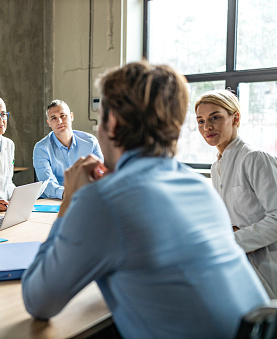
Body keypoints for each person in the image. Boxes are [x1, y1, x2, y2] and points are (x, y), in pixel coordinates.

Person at [21, 62, 269, 338]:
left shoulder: (104, 201)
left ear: (112, 122)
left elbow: (38, 300)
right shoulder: (199, 187)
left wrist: (70, 203)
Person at [195, 89, 277, 298]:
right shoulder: (216, 167)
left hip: (266, 263)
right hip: (238, 266)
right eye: (201, 121)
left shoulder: (255, 158)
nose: (207, 127)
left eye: (215, 117)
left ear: (235, 118)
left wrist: (232, 241)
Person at [33, 99, 103, 199]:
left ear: (71, 116)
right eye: (54, 118)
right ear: (49, 123)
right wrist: (69, 194)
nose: (59, 121)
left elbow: (101, 174)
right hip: (55, 200)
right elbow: (47, 184)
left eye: (63, 115)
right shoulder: (41, 148)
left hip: (88, 196)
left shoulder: (90, 142)